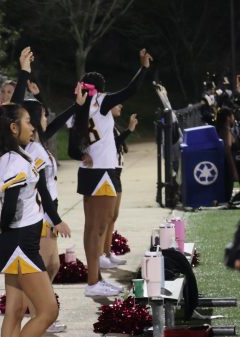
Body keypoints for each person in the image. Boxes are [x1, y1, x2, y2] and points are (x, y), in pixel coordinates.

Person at [68, 49, 152, 297]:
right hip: (103, 170)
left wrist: (81, 156)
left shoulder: (79, 106)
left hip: (88, 171)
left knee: (90, 228)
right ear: (102, 88)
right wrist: (143, 68)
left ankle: (94, 278)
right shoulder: (101, 100)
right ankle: (93, 282)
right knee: (99, 228)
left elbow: (73, 146)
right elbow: (131, 90)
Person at [0, 103, 60, 337]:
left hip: (18, 240)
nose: (32, 126)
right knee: (48, 311)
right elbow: (13, 201)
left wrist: (5, 226)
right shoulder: (15, 160)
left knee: (14, 311)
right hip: (21, 243)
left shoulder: (8, 157)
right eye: (27, 121)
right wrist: (4, 226)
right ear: (13, 128)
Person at [99, 106, 137, 268]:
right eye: (117, 103)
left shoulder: (112, 125)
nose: (121, 106)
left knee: (113, 216)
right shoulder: (103, 125)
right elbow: (113, 144)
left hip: (116, 174)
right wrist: (129, 130)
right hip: (109, 173)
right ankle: (100, 255)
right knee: (105, 217)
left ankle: (107, 252)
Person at [215, 107, 239, 203]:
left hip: (232, 166)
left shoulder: (226, 130)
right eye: (232, 116)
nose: (234, 118)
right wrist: (234, 171)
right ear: (228, 118)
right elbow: (227, 151)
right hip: (231, 167)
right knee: (226, 196)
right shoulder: (226, 131)